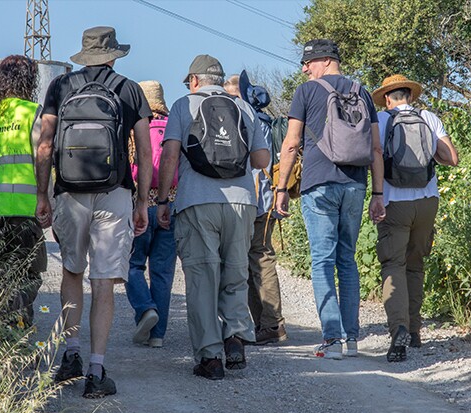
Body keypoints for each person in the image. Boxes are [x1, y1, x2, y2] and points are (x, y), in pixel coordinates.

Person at [35, 26, 152, 398]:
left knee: (72, 270)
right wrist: (144, 201)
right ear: (114, 55)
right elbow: (146, 153)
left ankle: (70, 357)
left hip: (69, 192)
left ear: (83, 55)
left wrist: (43, 195)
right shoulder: (129, 89)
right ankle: (96, 371)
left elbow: (45, 144)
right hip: (114, 193)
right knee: (104, 282)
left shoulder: (60, 87)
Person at [156, 55, 269, 380]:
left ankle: (210, 358)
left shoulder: (183, 106)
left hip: (197, 201)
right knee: (235, 272)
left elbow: (171, 155)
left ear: (194, 80)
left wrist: (163, 200)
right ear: (219, 80)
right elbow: (261, 159)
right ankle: (234, 338)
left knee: (202, 278)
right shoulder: (243, 107)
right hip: (242, 202)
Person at [274, 39, 385, 359]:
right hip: (355, 186)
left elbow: (292, 144)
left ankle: (332, 339)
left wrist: (281, 188)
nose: (305, 69)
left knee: (323, 260)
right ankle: (351, 339)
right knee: (347, 260)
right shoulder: (362, 91)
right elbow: (376, 149)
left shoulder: (306, 92)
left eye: (307, 63)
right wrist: (377, 193)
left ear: (323, 60)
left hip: (319, 185)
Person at [372, 74, 459, 362]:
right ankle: (415, 331)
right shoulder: (429, 118)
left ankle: (398, 329)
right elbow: (452, 158)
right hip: (427, 200)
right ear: (410, 95)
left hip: (394, 201)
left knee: (393, 264)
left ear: (387, 98)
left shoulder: (382, 120)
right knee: (415, 264)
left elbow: (373, 157)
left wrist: (376, 195)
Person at [0, 54, 47, 329]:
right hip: (24, 210)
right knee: (27, 277)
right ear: (29, 81)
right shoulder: (31, 112)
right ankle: (17, 333)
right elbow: (42, 157)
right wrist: (45, 198)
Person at [225, 72, 288, 345]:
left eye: (232, 96)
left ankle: (273, 324)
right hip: (263, 199)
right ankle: (262, 323)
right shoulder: (261, 118)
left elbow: (255, 164)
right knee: (255, 260)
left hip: (257, 201)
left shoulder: (250, 120)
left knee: (260, 259)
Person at [125, 80, 177, 349]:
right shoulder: (174, 128)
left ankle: (145, 308)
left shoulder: (135, 130)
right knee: (163, 273)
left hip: (139, 206)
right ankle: (157, 335)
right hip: (170, 206)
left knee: (131, 265)